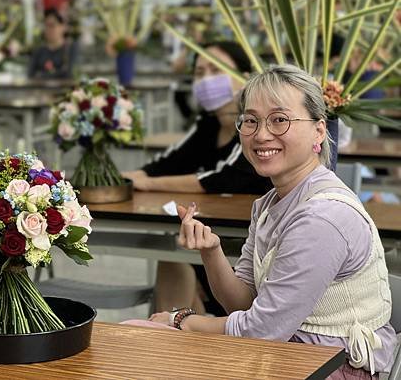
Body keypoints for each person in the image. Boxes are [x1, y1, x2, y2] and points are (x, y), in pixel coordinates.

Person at [128, 64, 395, 378]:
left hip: (331, 366)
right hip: (283, 351)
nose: (261, 134)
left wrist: (181, 320)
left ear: (319, 131)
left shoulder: (322, 218)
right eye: (251, 121)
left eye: (279, 120)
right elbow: (242, 306)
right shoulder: (268, 204)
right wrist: (211, 251)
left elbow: (260, 330)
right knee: (137, 340)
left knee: (146, 347)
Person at [123, 41, 272, 315]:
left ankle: (176, 336)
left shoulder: (254, 128)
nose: (206, 79)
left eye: (216, 69)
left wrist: (148, 183)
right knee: (172, 254)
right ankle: (174, 343)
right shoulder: (208, 124)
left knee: (178, 254)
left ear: (245, 76)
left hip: (248, 252)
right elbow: (167, 163)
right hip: (207, 238)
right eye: (200, 72)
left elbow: (221, 179)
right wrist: (128, 178)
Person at [27, 7, 78, 79]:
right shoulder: (39, 51)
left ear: (62, 27)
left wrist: (42, 75)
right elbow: (30, 75)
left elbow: (69, 74)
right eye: (46, 26)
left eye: (52, 25)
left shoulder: (71, 48)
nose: (49, 30)